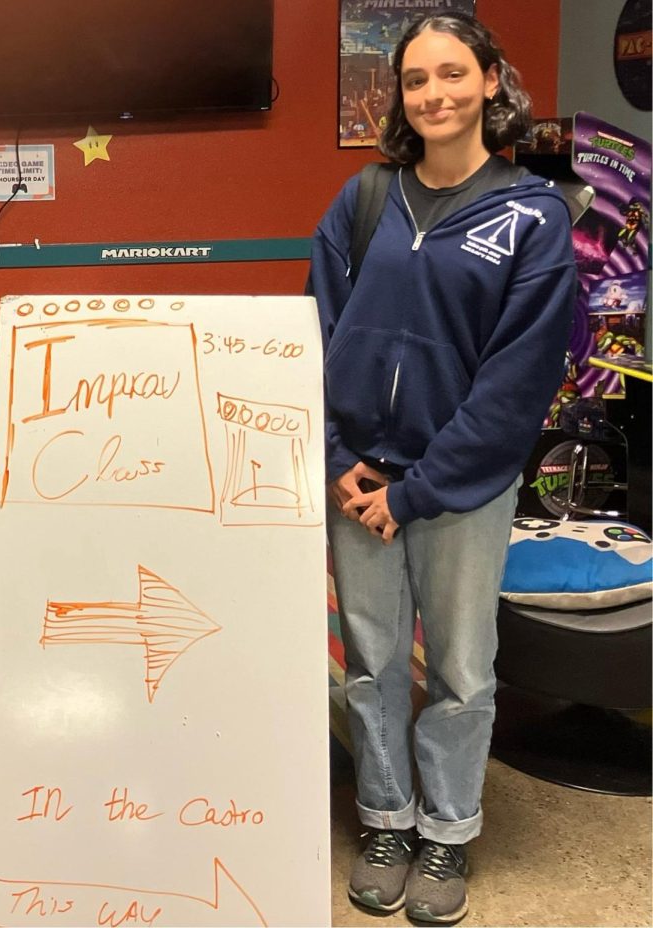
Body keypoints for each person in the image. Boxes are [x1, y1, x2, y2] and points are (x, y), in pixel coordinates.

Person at [308, 13, 575, 925]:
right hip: (359, 483)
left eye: (453, 74)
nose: (434, 95)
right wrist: (344, 463)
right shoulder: (364, 202)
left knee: (461, 668)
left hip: (460, 490)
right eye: (416, 79)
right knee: (373, 662)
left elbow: (514, 384)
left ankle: (447, 832)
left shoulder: (533, 221)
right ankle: (386, 817)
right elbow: (317, 337)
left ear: (493, 80)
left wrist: (418, 491)